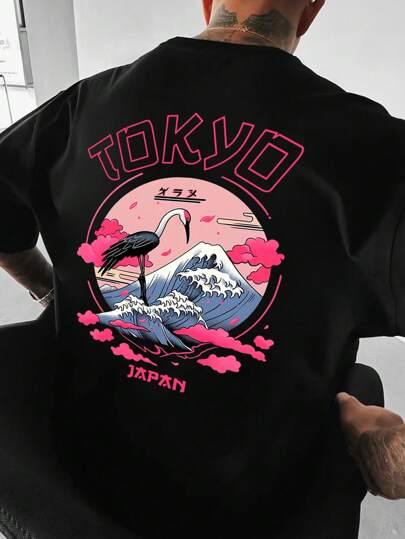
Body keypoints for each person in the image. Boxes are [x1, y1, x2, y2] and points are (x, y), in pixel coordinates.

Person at [0, 0, 404, 537]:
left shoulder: (80, 107)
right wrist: (374, 434)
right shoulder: (378, 152)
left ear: (209, 2)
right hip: (251, 506)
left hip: (79, 466)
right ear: (313, 9)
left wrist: (50, 290)